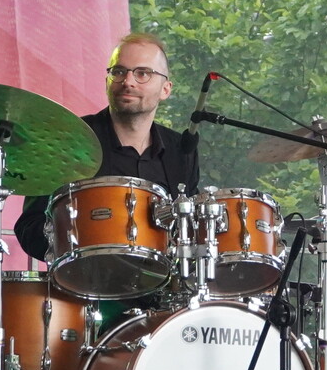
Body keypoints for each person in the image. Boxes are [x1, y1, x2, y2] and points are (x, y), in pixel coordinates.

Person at [13, 32, 201, 262]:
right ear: (107, 81)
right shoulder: (67, 140)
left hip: (161, 282)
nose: (128, 82)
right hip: (85, 280)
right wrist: (78, 243)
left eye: (142, 73)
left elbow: (190, 230)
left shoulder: (181, 150)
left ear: (166, 89)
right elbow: (30, 227)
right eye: (119, 71)